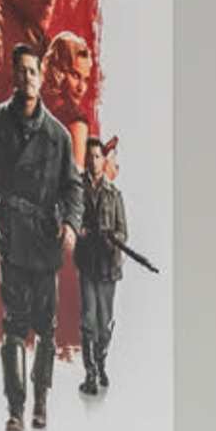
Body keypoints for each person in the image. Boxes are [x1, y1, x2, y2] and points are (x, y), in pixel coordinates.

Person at [0, 36, 79, 431]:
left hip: (44, 241)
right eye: (20, 71)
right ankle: (15, 410)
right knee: (14, 327)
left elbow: (73, 187)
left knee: (47, 330)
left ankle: (41, 402)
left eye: (33, 71)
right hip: (11, 235)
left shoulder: (58, 136)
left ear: (42, 78)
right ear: (14, 77)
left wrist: (70, 223)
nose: (27, 78)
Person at [72, 135, 131, 397]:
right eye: (90, 157)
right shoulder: (77, 189)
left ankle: (102, 362)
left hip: (108, 266)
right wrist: (78, 229)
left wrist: (114, 239)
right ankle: (91, 373)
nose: (94, 161)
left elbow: (123, 230)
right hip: (87, 263)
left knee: (105, 323)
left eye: (98, 157)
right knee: (88, 321)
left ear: (103, 160)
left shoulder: (114, 194)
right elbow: (70, 217)